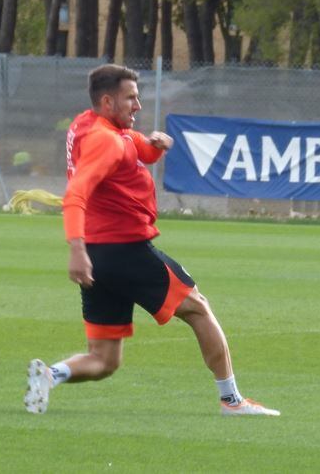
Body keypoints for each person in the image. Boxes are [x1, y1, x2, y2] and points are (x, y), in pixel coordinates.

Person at [24, 64, 280, 417]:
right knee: (199, 308)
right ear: (107, 100)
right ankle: (232, 400)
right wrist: (75, 248)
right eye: (131, 98)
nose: (138, 105)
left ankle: (51, 375)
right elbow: (76, 194)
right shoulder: (105, 140)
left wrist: (157, 146)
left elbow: (137, 148)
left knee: (104, 359)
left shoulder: (89, 124)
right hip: (124, 251)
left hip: (100, 259)